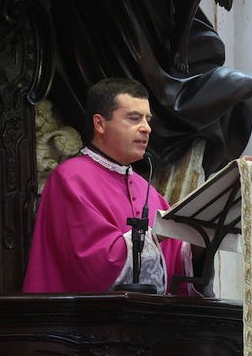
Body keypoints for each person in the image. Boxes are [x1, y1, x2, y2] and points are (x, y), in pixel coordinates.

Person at [23, 78, 187, 294]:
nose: (146, 128)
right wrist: (155, 236)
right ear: (100, 124)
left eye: (148, 119)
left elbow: (175, 260)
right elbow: (93, 263)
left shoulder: (146, 190)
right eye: (134, 118)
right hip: (83, 321)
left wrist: (202, 233)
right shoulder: (70, 178)